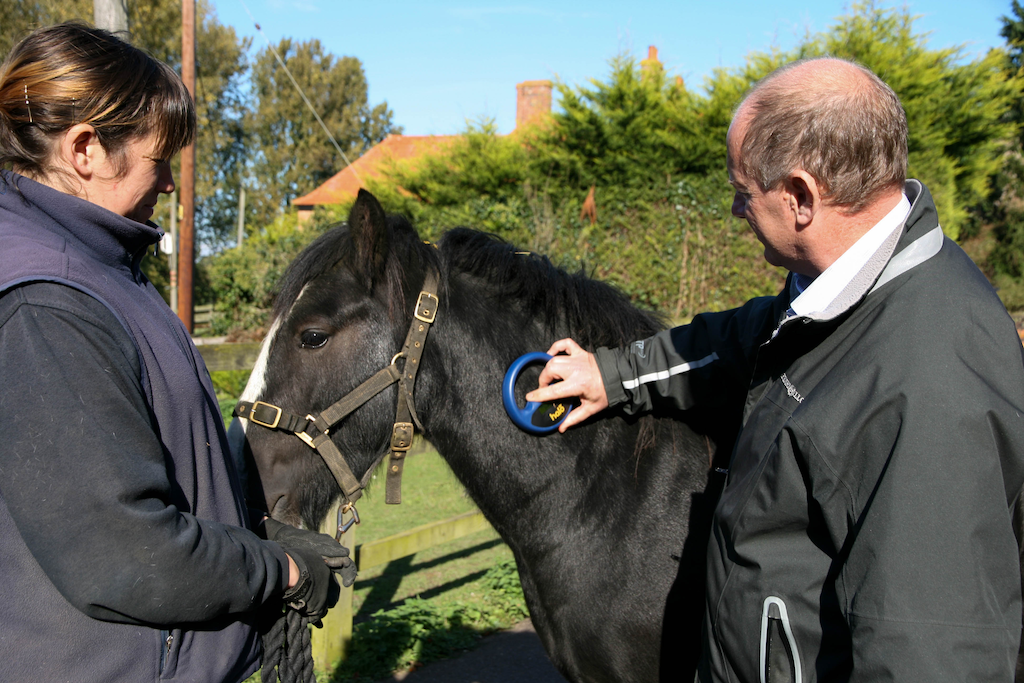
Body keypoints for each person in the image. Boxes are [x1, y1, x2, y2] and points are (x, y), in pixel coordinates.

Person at [527, 57, 1024, 681]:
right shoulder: (850, 290)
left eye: (743, 193)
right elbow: (742, 338)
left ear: (799, 197)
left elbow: (932, 652)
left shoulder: (927, 384)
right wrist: (614, 374)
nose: (738, 212)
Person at [0, 23, 352, 682]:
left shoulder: (99, 269)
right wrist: (283, 569)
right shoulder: (45, 301)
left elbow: (155, 464)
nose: (168, 184)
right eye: (159, 159)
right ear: (85, 149)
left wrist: (253, 532)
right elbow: (123, 551)